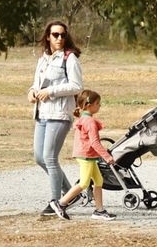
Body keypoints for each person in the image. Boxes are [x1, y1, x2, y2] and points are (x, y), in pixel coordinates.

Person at [28, 21, 83, 217]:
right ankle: (71, 194)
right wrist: (32, 92)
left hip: (59, 114)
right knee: (39, 158)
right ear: (48, 37)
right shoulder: (43, 59)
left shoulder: (70, 59)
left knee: (50, 158)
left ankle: (55, 203)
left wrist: (50, 91)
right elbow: (36, 84)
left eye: (62, 35)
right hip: (42, 113)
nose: (59, 38)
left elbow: (77, 86)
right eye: (55, 35)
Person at [51, 90, 117, 220]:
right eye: (97, 103)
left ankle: (99, 210)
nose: (99, 106)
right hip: (86, 156)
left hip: (89, 156)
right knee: (84, 183)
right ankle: (60, 203)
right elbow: (95, 142)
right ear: (88, 105)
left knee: (99, 181)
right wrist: (107, 157)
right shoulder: (90, 122)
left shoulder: (85, 119)